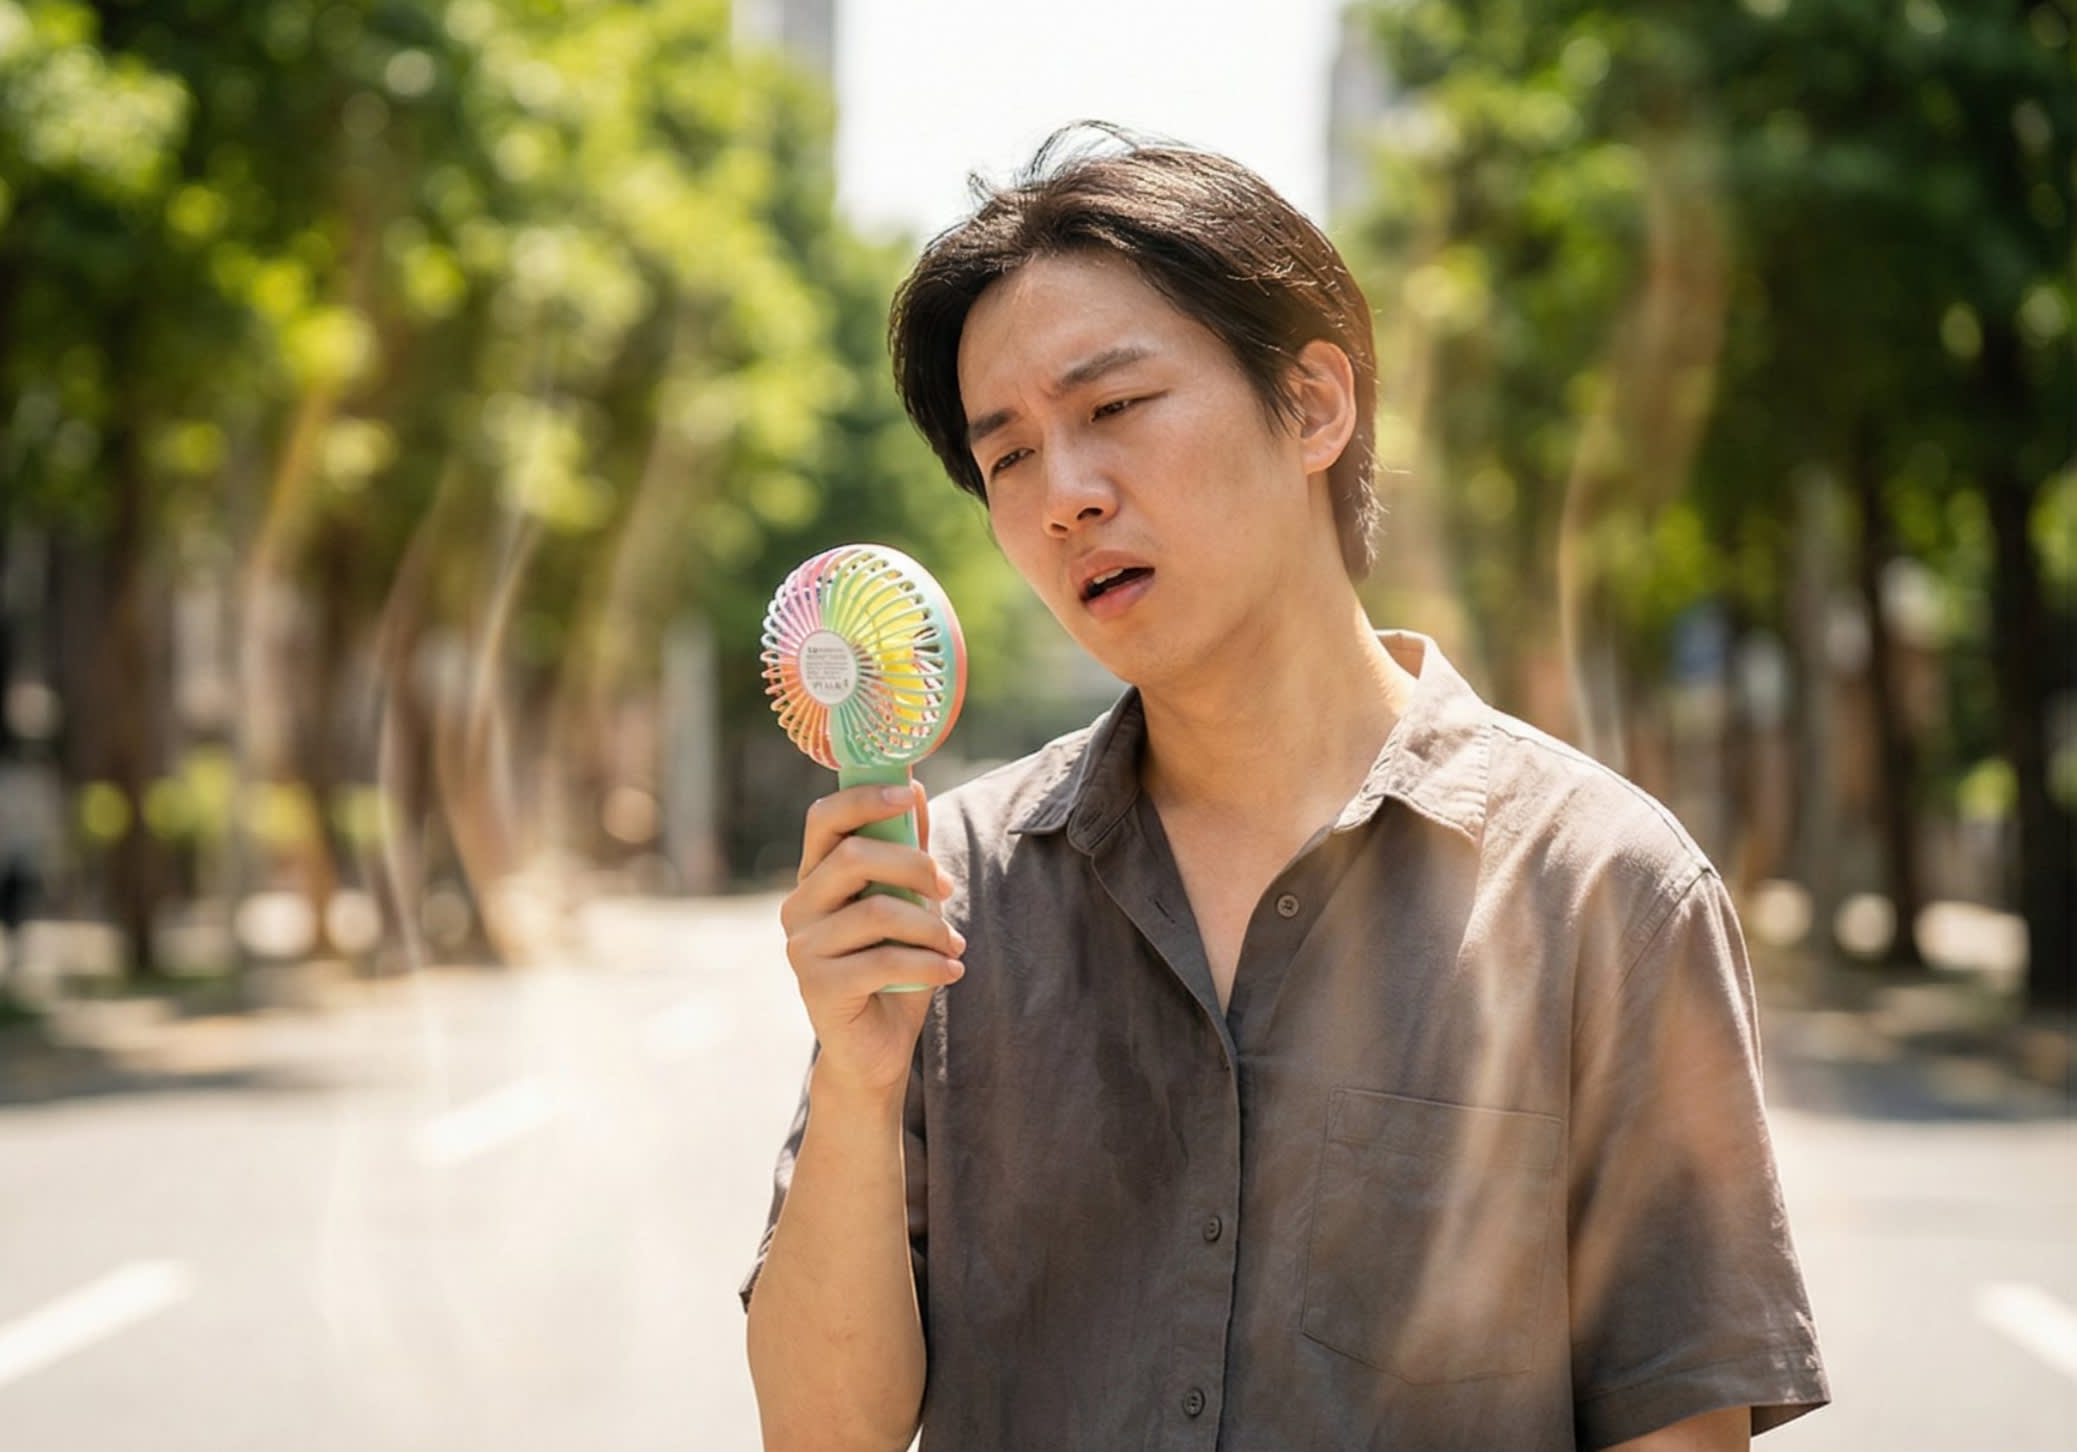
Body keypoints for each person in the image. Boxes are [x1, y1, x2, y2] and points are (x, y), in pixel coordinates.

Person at [741, 126, 1829, 1452]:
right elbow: (818, 1435)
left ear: (1313, 405)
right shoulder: (952, 889)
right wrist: (859, 1083)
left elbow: (1676, 1424)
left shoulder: (1601, 888)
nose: (1064, 496)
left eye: (1113, 407)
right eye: (1008, 456)